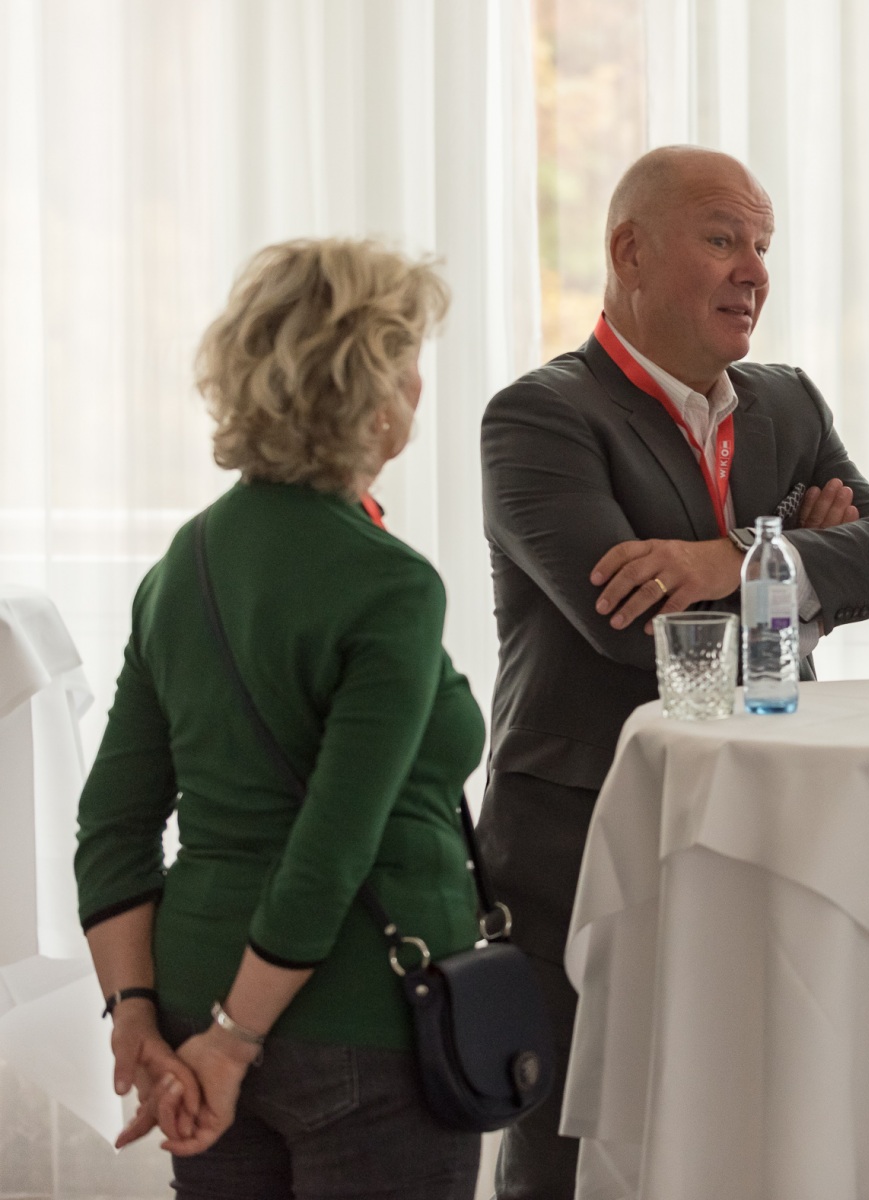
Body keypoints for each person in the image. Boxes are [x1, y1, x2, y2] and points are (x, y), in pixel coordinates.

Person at [478, 144, 869, 1197]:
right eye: (723, 239)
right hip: (584, 837)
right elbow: (631, 630)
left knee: (750, 1126)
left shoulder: (788, 402)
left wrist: (731, 560)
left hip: (766, 823)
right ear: (629, 252)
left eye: (763, 245)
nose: (754, 271)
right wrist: (806, 567)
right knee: (574, 1140)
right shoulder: (542, 416)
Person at [74, 239, 486, 1197]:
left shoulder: (183, 567)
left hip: (190, 1006)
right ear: (370, 388)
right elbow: (330, 849)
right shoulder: (389, 583)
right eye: (407, 358)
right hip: (361, 1018)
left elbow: (112, 825)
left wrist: (138, 1017)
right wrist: (235, 1039)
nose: (419, 386)